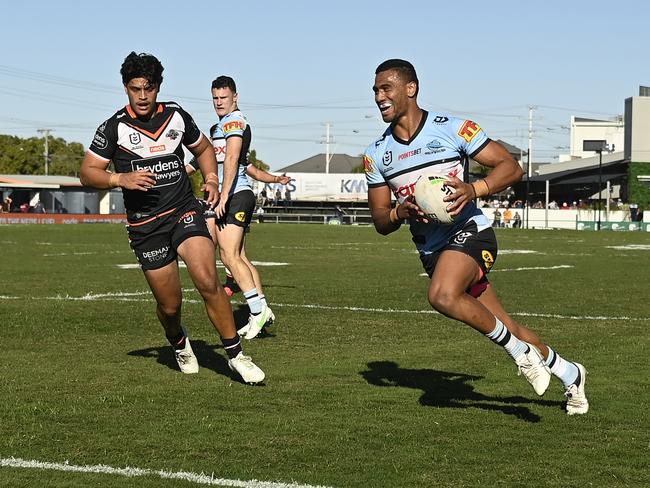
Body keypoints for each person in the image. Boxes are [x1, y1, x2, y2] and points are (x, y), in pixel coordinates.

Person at [364, 59, 588, 415]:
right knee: (508, 325)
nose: (379, 97)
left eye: (386, 88)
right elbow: (380, 220)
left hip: (471, 233)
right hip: (433, 251)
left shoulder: (453, 129)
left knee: (441, 294)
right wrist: (399, 212)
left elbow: (511, 167)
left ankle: (519, 353)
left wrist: (474, 188)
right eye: (375, 90)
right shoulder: (377, 155)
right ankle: (570, 372)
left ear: (411, 88)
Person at [79, 52, 264, 384]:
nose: (143, 95)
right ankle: (178, 341)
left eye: (149, 88)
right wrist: (119, 179)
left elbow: (205, 150)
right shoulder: (114, 127)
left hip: (183, 211)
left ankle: (236, 355)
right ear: (125, 88)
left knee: (208, 280)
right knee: (170, 306)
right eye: (136, 89)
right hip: (146, 226)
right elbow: (87, 173)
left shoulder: (177, 116)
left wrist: (210, 179)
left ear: (158, 87)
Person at [203, 75, 289, 339]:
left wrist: (224, 195)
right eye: (215, 98)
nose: (219, 102)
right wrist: (275, 178)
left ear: (235, 98)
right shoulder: (219, 126)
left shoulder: (235, 121)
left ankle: (256, 310)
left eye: (224, 98)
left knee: (228, 256)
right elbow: (243, 165)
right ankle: (261, 307)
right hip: (234, 193)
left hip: (235, 195)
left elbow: (231, 159)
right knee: (237, 256)